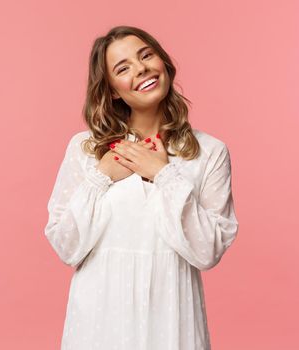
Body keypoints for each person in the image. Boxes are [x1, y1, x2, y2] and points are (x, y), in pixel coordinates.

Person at [44, 25, 239, 350]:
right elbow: (66, 246)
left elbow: (208, 251)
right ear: (113, 90)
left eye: (146, 55)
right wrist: (100, 176)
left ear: (163, 62)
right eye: (123, 68)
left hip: (172, 320)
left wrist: (164, 175)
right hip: (99, 321)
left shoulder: (209, 152)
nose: (141, 69)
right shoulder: (86, 149)